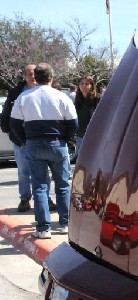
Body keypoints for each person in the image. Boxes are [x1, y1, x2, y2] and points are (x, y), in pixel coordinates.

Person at [9, 63, 78, 238]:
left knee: (39, 187)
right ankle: (64, 223)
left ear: (36, 77)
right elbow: (73, 123)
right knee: (62, 185)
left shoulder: (24, 97)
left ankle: (43, 228)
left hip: (33, 144)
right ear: (51, 77)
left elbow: (14, 124)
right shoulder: (61, 97)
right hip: (56, 143)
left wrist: (25, 141)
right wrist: (65, 139)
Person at [0, 64, 57, 212]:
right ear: (24, 77)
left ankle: (46, 198)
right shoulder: (16, 93)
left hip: (40, 139)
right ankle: (25, 199)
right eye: (30, 74)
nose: (33, 77)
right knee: (24, 172)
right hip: (21, 140)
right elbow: (7, 113)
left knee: (43, 172)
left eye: (35, 74)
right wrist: (7, 129)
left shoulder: (47, 91)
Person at [73, 75, 100, 159]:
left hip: (95, 136)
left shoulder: (98, 98)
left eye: (87, 84)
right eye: (82, 83)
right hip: (80, 135)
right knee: (82, 161)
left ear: (92, 86)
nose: (84, 86)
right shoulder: (78, 100)